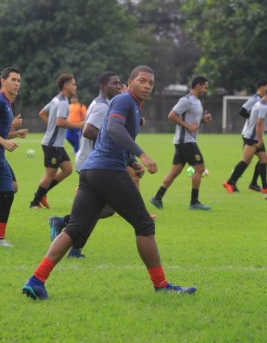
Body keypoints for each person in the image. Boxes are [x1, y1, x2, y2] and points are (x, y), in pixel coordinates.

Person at [22, 65, 196, 300]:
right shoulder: (125, 101)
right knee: (145, 226)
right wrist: (142, 155)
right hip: (107, 172)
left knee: (74, 229)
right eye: (142, 81)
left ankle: (36, 280)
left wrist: (131, 161)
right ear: (130, 82)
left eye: (151, 83)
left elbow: (109, 136)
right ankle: (161, 285)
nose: (147, 86)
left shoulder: (130, 104)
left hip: (92, 171)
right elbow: (113, 128)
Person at [49, 71, 122, 258]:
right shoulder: (102, 107)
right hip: (92, 163)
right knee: (105, 208)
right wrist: (110, 143)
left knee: (99, 208)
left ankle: (74, 246)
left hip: (92, 162)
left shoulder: (102, 104)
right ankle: (64, 225)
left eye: (119, 83)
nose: (118, 86)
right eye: (114, 83)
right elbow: (89, 131)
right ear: (102, 87)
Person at [150, 76, 212, 211]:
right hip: (186, 141)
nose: (206, 90)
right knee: (200, 169)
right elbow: (171, 115)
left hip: (186, 141)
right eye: (205, 87)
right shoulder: (186, 100)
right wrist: (188, 127)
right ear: (198, 85)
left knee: (175, 170)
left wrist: (203, 120)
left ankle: (157, 198)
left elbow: (192, 120)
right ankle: (194, 202)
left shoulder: (196, 101)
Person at [29, 74, 84, 209]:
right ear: (66, 86)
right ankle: (35, 202)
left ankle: (42, 193)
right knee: (50, 173)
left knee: (67, 169)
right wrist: (78, 125)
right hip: (52, 145)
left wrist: (51, 126)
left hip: (56, 144)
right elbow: (60, 122)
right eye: (73, 84)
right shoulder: (64, 102)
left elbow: (42, 113)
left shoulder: (56, 99)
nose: (75, 87)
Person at [0, 67, 26, 247]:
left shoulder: (7, 103)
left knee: (9, 192)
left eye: (19, 81)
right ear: (3, 80)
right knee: (8, 192)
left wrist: (14, 135)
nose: (17, 83)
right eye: (13, 80)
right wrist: (4, 142)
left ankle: (1, 239)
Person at [223, 94, 267, 193]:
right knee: (245, 161)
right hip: (252, 138)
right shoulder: (263, 107)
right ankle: (229, 182)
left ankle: (265, 187)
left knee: (264, 160)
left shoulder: (258, 104)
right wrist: (260, 140)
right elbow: (259, 124)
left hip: (254, 136)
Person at [237, 79, 267, 192]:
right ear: (262, 87)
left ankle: (255, 183)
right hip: (250, 133)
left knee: (263, 158)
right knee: (246, 160)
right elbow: (242, 111)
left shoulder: (262, 102)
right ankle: (231, 181)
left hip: (256, 133)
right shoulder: (255, 99)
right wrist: (254, 119)